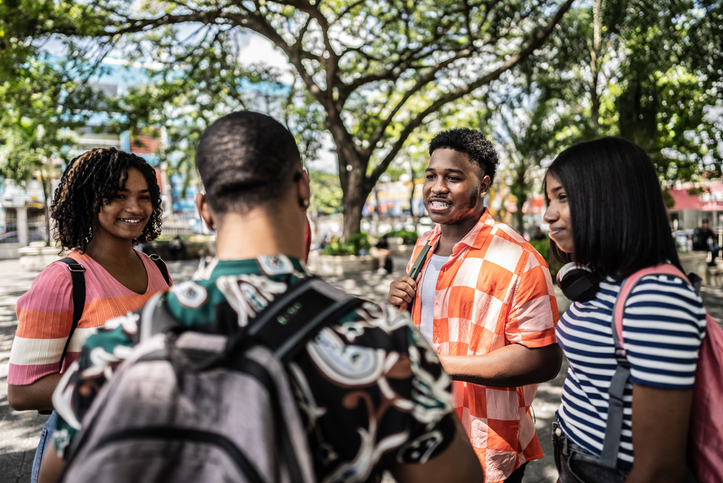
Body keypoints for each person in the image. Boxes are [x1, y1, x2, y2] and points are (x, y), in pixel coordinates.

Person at [39, 112, 483, 483]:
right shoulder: (382, 341)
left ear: (204, 209)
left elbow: (55, 472)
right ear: (304, 188)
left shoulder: (117, 345)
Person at [387, 128, 562, 483]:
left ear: (482, 186)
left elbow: (543, 359)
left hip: (483, 443)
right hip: (421, 430)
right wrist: (397, 306)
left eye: (453, 178)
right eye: (431, 176)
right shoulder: (424, 245)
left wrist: (441, 366)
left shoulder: (519, 258)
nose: (437, 187)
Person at [543, 137, 706, 482]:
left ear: (608, 200)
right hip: (575, 458)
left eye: (563, 197)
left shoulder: (655, 295)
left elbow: (660, 468)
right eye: (548, 198)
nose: (548, 213)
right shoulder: (605, 278)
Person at [7, 147, 171, 483]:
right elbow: (22, 391)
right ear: (87, 201)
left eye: (144, 196)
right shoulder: (64, 278)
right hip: (83, 450)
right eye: (117, 196)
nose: (135, 208)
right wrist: (126, 384)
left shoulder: (158, 269)